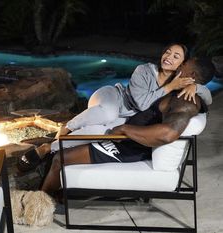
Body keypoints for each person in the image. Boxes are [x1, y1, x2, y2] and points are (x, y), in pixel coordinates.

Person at [17, 43, 212, 171]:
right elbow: (141, 103)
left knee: (100, 131)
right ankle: (67, 126)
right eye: (167, 52)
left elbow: (208, 96)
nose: (168, 56)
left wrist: (195, 87)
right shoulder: (144, 70)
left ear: (182, 65)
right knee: (108, 112)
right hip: (114, 97)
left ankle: (47, 148)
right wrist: (169, 87)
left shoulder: (181, 81)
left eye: (176, 56)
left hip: (125, 116)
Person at [40, 57, 215, 195]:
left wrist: (125, 129)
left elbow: (167, 134)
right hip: (127, 138)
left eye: (184, 63)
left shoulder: (184, 102)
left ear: (191, 74)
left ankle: (42, 202)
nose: (179, 65)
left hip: (129, 146)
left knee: (60, 159)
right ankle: (53, 174)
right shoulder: (182, 89)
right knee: (85, 134)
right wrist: (195, 86)